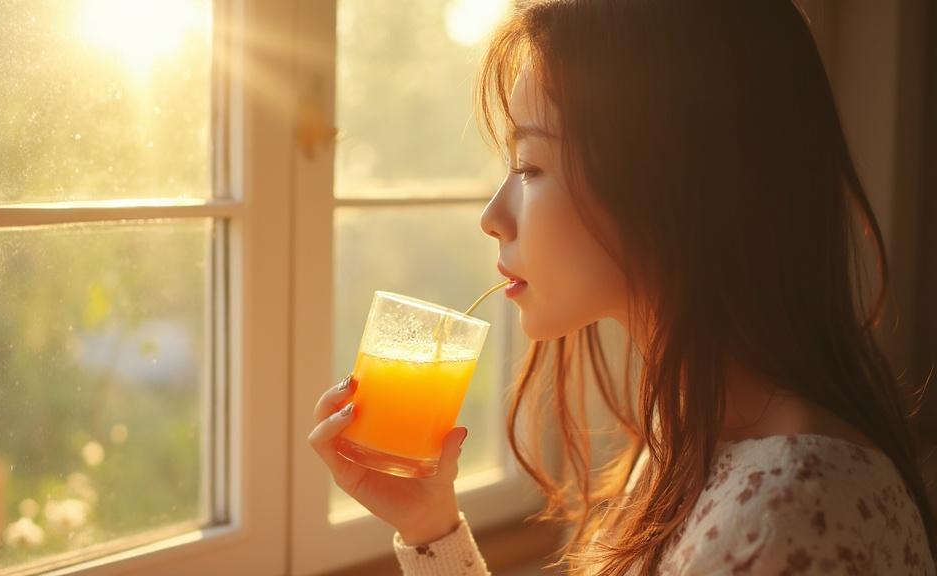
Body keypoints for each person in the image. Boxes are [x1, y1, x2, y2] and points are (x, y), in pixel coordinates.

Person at [308, 0, 937, 573]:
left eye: (529, 166)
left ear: (669, 185)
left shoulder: (782, 512)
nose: (492, 217)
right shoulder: (696, 432)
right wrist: (430, 526)